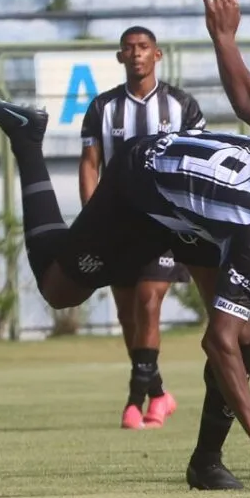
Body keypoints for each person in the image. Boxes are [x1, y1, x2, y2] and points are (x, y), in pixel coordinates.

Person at [0, 0, 250, 490]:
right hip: (139, 189)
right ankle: (28, 142)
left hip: (199, 214)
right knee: (58, 291)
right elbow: (216, 340)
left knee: (241, 335)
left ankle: (205, 463)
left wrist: (224, 39)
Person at [79, 25, 206, 430]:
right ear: (120, 57)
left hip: (166, 224)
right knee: (128, 315)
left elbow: (197, 162)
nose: (136, 54)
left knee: (149, 300)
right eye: (129, 49)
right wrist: (91, 219)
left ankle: (135, 400)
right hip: (118, 225)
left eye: (143, 47)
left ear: (158, 54)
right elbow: (89, 165)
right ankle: (158, 394)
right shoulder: (103, 108)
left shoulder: (182, 106)